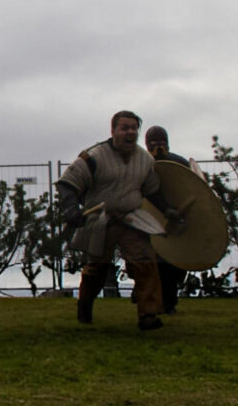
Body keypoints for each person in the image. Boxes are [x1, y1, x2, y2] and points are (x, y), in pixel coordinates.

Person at [55, 111, 177, 331]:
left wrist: (167, 210)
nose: (130, 132)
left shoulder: (145, 160)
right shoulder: (94, 156)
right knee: (96, 269)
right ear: (113, 131)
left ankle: (148, 316)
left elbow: (152, 191)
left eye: (133, 128)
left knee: (146, 262)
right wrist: (70, 208)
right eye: (125, 128)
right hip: (101, 220)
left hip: (131, 219)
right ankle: (85, 307)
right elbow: (67, 183)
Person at [143, 125, 190, 315]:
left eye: (161, 141)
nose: (157, 145)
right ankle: (153, 301)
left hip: (177, 216)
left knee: (173, 264)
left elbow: (191, 188)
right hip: (149, 217)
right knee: (152, 263)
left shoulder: (180, 163)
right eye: (153, 142)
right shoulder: (142, 164)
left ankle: (169, 302)